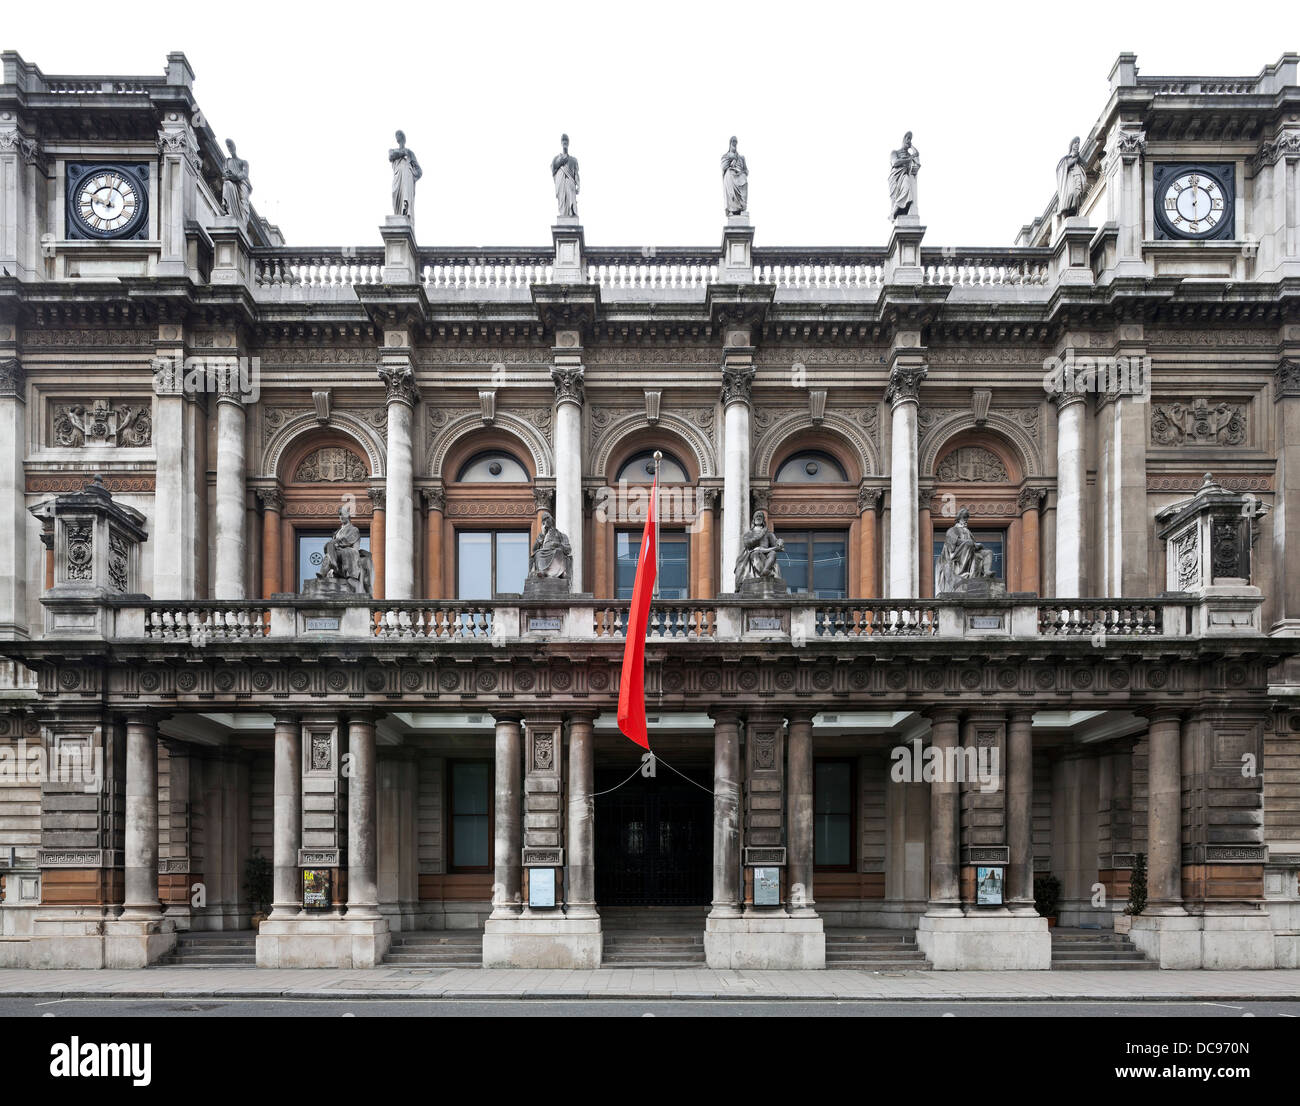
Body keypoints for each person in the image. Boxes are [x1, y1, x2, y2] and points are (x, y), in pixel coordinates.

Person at [935, 508, 993, 593]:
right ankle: (963, 574)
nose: (966, 521)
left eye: (967, 519)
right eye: (964, 518)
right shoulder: (952, 530)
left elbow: (974, 543)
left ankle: (986, 572)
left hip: (971, 551)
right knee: (969, 543)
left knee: (988, 552)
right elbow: (953, 543)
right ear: (958, 519)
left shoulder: (968, 532)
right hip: (957, 554)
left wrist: (978, 546)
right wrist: (971, 543)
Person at [734, 510, 784, 587]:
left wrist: (780, 541)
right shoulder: (749, 533)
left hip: (767, 551)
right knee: (755, 554)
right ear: (753, 519)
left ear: (763, 519)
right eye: (756, 516)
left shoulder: (768, 533)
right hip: (754, 551)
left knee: (773, 553)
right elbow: (747, 543)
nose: (758, 517)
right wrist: (760, 535)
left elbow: (775, 543)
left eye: (760, 516)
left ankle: (765, 570)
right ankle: (762, 572)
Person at [529, 511, 572, 580]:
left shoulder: (562, 536)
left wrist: (558, 545)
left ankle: (559, 573)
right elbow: (534, 549)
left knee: (558, 551)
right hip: (543, 552)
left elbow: (568, 549)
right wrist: (542, 535)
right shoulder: (542, 536)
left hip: (556, 551)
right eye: (544, 521)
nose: (546, 522)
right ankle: (543, 572)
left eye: (548, 519)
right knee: (538, 553)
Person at [888, 132, 920, 220]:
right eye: (907, 138)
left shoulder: (910, 155)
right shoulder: (895, 152)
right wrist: (908, 159)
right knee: (897, 196)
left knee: (907, 189)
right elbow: (895, 162)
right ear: (903, 139)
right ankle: (894, 213)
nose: (909, 141)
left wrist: (912, 148)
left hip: (905, 176)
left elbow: (917, 162)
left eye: (910, 139)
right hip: (895, 177)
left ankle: (896, 212)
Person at [390, 130, 421, 218]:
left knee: (406, 194)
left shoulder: (410, 153)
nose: (398, 137)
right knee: (395, 199)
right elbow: (391, 156)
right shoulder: (392, 150)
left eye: (399, 135)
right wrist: (403, 152)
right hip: (397, 176)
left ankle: (405, 207)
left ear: (403, 138)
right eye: (397, 136)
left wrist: (412, 177)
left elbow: (419, 171)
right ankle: (399, 215)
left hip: (407, 176)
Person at [221, 139, 251, 225]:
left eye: (231, 145)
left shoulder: (243, 162)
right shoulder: (227, 161)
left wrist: (235, 177)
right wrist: (227, 176)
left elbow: (244, 174)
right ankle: (226, 208)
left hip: (241, 184)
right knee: (227, 184)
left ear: (235, 147)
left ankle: (242, 221)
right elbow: (225, 174)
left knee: (243, 203)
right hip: (231, 182)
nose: (230, 148)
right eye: (228, 146)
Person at [1056, 136, 1087, 217]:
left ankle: (1075, 212)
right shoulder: (1066, 158)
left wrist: (1078, 159)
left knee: (1077, 194)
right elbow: (1063, 168)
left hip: (1078, 178)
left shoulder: (1079, 159)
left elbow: (1085, 165)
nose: (1077, 144)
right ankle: (1065, 213)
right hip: (1070, 179)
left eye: (1078, 143)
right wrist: (1074, 159)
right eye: (1075, 143)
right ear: (1071, 145)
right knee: (1071, 194)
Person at [551, 134, 580, 218]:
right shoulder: (556, 159)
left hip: (570, 183)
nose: (565, 142)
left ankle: (571, 214)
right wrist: (559, 162)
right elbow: (553, 170)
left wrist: (578, 185)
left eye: (566, 141)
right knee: (562, 201)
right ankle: (563, 214)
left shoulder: (573, 160)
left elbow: (576, 174)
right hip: (561, 182)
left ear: (568, 143)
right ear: (561, 143)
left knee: (571, 201)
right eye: (563, 141)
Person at [721, 136, 748, 215]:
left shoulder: (741, 157)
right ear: (730, 143)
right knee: (729, 173)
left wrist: (744, 172)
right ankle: (733, 208)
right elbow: (723, 167)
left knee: (744, 179)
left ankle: (741, 207)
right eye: (733, 141)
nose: (734, 143)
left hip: (740, 174)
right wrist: (730, 163)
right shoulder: (725, 156)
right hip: (730, 174)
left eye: (736, 142)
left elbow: (746, 170)